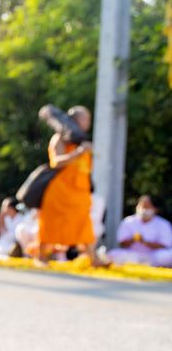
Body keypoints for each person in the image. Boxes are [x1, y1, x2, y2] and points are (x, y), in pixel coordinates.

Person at [38, 106, 102, 265]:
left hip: (79, 193)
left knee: (84, 225)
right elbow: (56, 162)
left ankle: (93, 259)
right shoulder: (60, 138)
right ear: (75, 119)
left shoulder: (83, 142)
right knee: (51, 225)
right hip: (60, 192)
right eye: (85, 118)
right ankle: (41, 257)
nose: (88, 122)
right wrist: (78, 152)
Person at [107, 196, 172, 267]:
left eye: (147, 207)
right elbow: (122, 244)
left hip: (154, 255)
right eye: (141, 206)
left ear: (155, 209)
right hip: (133, 254)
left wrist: (145, 242)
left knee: (168, 255)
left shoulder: (163, 224)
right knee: (113, 254)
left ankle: (147, 263)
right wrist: (133, 239)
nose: (143, 210)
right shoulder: (128, 221)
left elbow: (165, 245)